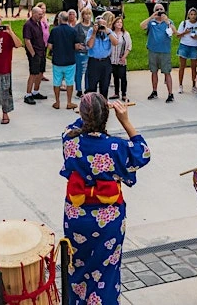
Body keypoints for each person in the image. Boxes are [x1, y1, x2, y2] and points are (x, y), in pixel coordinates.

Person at [60, 93, 150, 305]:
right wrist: (125, 120)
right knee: (106, 271)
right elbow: (143, 153)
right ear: (107, 117)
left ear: (82, 115)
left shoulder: (69, 140)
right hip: (108, 220)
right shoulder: (116, 147)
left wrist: (93, 110)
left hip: (76, 216)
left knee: (77, 267)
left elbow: (73, 124)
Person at [140, 3, 176, 103]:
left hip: (165, 51)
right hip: (153, 51)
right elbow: (142, 26)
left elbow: (175, 32)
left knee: (167, 72)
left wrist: (167, 21)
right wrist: (151, 17)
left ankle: (170, 93)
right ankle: (154, 91)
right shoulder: (151, 22)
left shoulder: (168, 22)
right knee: (154, 71)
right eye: (157, 9)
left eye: (161, 9)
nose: (159, 11)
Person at [47, 11, 79, 110]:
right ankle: (69, 102)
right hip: (70, 60)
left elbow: (50, 46)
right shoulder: (73, 31)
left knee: (57, 82)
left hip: (57, 61)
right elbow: (77, 46)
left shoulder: (54, 31)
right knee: (69, 82)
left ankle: (57, 102)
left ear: (59, 19)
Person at [85, 15, 119, 98]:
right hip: (94, 61)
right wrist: (94, 32)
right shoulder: (91, 31)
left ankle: (103, 105)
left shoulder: (108, 31)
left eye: (102, 24)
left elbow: (115, 43)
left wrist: (107, 30)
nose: (101, 27)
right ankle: (92, 106)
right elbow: (89, 45)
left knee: (104, 86)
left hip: (105, 62)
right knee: (92, 87)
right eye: (99, 24)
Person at [176, 8, 197, 94]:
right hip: (184, 45)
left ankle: (193, 85)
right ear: (188, 15)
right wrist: (185, 33)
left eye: (194, 14)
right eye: (191, 14)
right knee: (182, 66)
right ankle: (180, 85)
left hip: (194, 46)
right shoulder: (184, 23)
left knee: (193, 67)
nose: (193, 16)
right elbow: (178, 35)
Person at [23, 6, 48, 105]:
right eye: (39, 14)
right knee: (33, 73)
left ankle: (36, 91)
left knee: (40, 72)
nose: (41, 16)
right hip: (35, 53)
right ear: (33, 14)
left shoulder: (38, 23)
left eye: (42, 14)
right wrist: (32, 53)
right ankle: (28, 95)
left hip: (42, 52)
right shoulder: (28, 25)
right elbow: (27, 40)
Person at [109, 17, 131, 102]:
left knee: (123, 77)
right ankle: (116, 92)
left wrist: (124, 56)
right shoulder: (111, 34)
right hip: (112, 59)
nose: (119, 24)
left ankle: (124, 94)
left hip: (121, 59)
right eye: (117, 22)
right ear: (114, 24)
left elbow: (129, 47)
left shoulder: (125, 34)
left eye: (120, 22)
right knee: (115, 76)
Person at [71, 9, 90, 98]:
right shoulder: (78, 27)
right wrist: (75, 45)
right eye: (86, 14)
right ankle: (79, 90)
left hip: (90, 52)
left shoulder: (93, 26)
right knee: (79, 71)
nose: (88, 16)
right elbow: (72, 38)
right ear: (82, 15)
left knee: (88, 72)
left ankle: (87, 88)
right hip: (80, 52)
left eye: (89, 14)